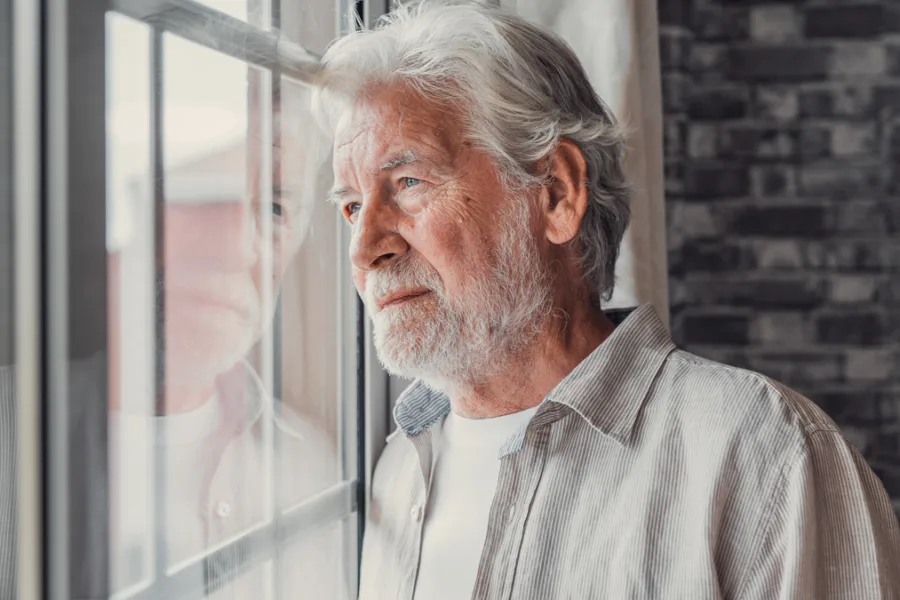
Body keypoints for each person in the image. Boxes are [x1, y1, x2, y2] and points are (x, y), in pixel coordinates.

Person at [314, 1, 900, 598]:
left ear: (557, 194)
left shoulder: (764, 455)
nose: (364, 250)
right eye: (352, 205)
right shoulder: (397, 472)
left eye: (408, 183)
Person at [0, 82, 344, 598]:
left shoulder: (311, 469)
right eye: (201, 189)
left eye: (274, 207)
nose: (237, 245)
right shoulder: (11, 435)